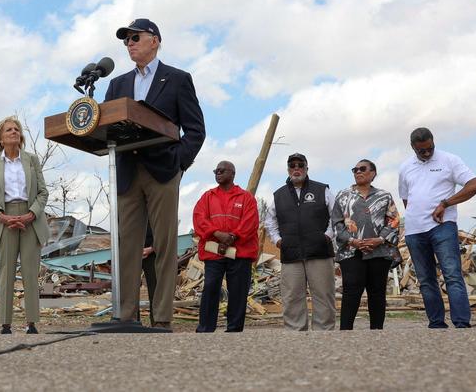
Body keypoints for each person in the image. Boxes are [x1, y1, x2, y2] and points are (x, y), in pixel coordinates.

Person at [104, 18, 206, 330]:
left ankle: (161, 317)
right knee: (126, 248)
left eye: (135, 37)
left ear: (154, 40)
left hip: (162, 172)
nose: (129, 43)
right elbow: (106, 126)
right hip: (126, 172)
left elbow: (196, 130)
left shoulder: (176, 79)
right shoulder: (117, 84)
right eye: (126, 40)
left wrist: (178, 163)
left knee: (164, 245)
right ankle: (126, 316)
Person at [399, 127, 476, 328]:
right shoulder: (405, 167)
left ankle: (461, 323)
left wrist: (445, 203)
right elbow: (406, 199)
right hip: (414, 231)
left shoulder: (450, 160)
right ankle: (436, 324)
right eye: (422, 151)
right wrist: (415, 217)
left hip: (442, 227)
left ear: (433, 142)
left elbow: (475, 185)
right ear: (413, 147)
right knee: (426, 279)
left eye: (430, 148)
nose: (427, 153)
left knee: (452, 273)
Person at [0, 116, 51, 334]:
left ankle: (32, 322)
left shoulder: (31, 159)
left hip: (31, 218)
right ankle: (5, 324)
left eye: (16, 129)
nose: (14, 132)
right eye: (9, 130)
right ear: (1, 138)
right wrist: (1, 216)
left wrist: (31, 214)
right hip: (5, 220)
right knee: (6, 273)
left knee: (31, 272)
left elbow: (43, 192)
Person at [264, 153, 336, 331]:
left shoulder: (322, 190)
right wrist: (278, 240)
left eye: (300, 165)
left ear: (306, 168)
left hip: (320, 252)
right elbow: (269, 221)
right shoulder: (278, 195)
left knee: (323, 295)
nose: (296, 168)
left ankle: (324, 333)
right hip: (291, 254)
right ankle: (295, 335)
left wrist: (327, 235)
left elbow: (336, 216)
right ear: (288, 169)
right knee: (292, 296)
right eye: (292, 165)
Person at [332, 159, 400, 330]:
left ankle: (376, 332)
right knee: (351, 291)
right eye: (354, 169)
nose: (358, 172)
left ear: (373, 173)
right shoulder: (343, 195)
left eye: (362, 169)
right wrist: (352, 241)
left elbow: (393, 220)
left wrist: (380, 239)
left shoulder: (384, 196)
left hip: (379, 251)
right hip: (351, 251)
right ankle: (345, 332)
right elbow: (337, 223)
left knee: (377, 293)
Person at [193, 161, 259, 332]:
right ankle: (205, 328)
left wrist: (233, 236)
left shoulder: (246, 198)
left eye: (222, 170)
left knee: (238, 291)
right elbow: (199, 219)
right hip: (214, 253)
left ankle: (234, 329)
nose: (218, 173)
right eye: (216, 170)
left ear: (232, 173)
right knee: (210, 287)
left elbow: (250, 223)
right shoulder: (207, 197)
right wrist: (217, 234)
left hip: (240, 253)